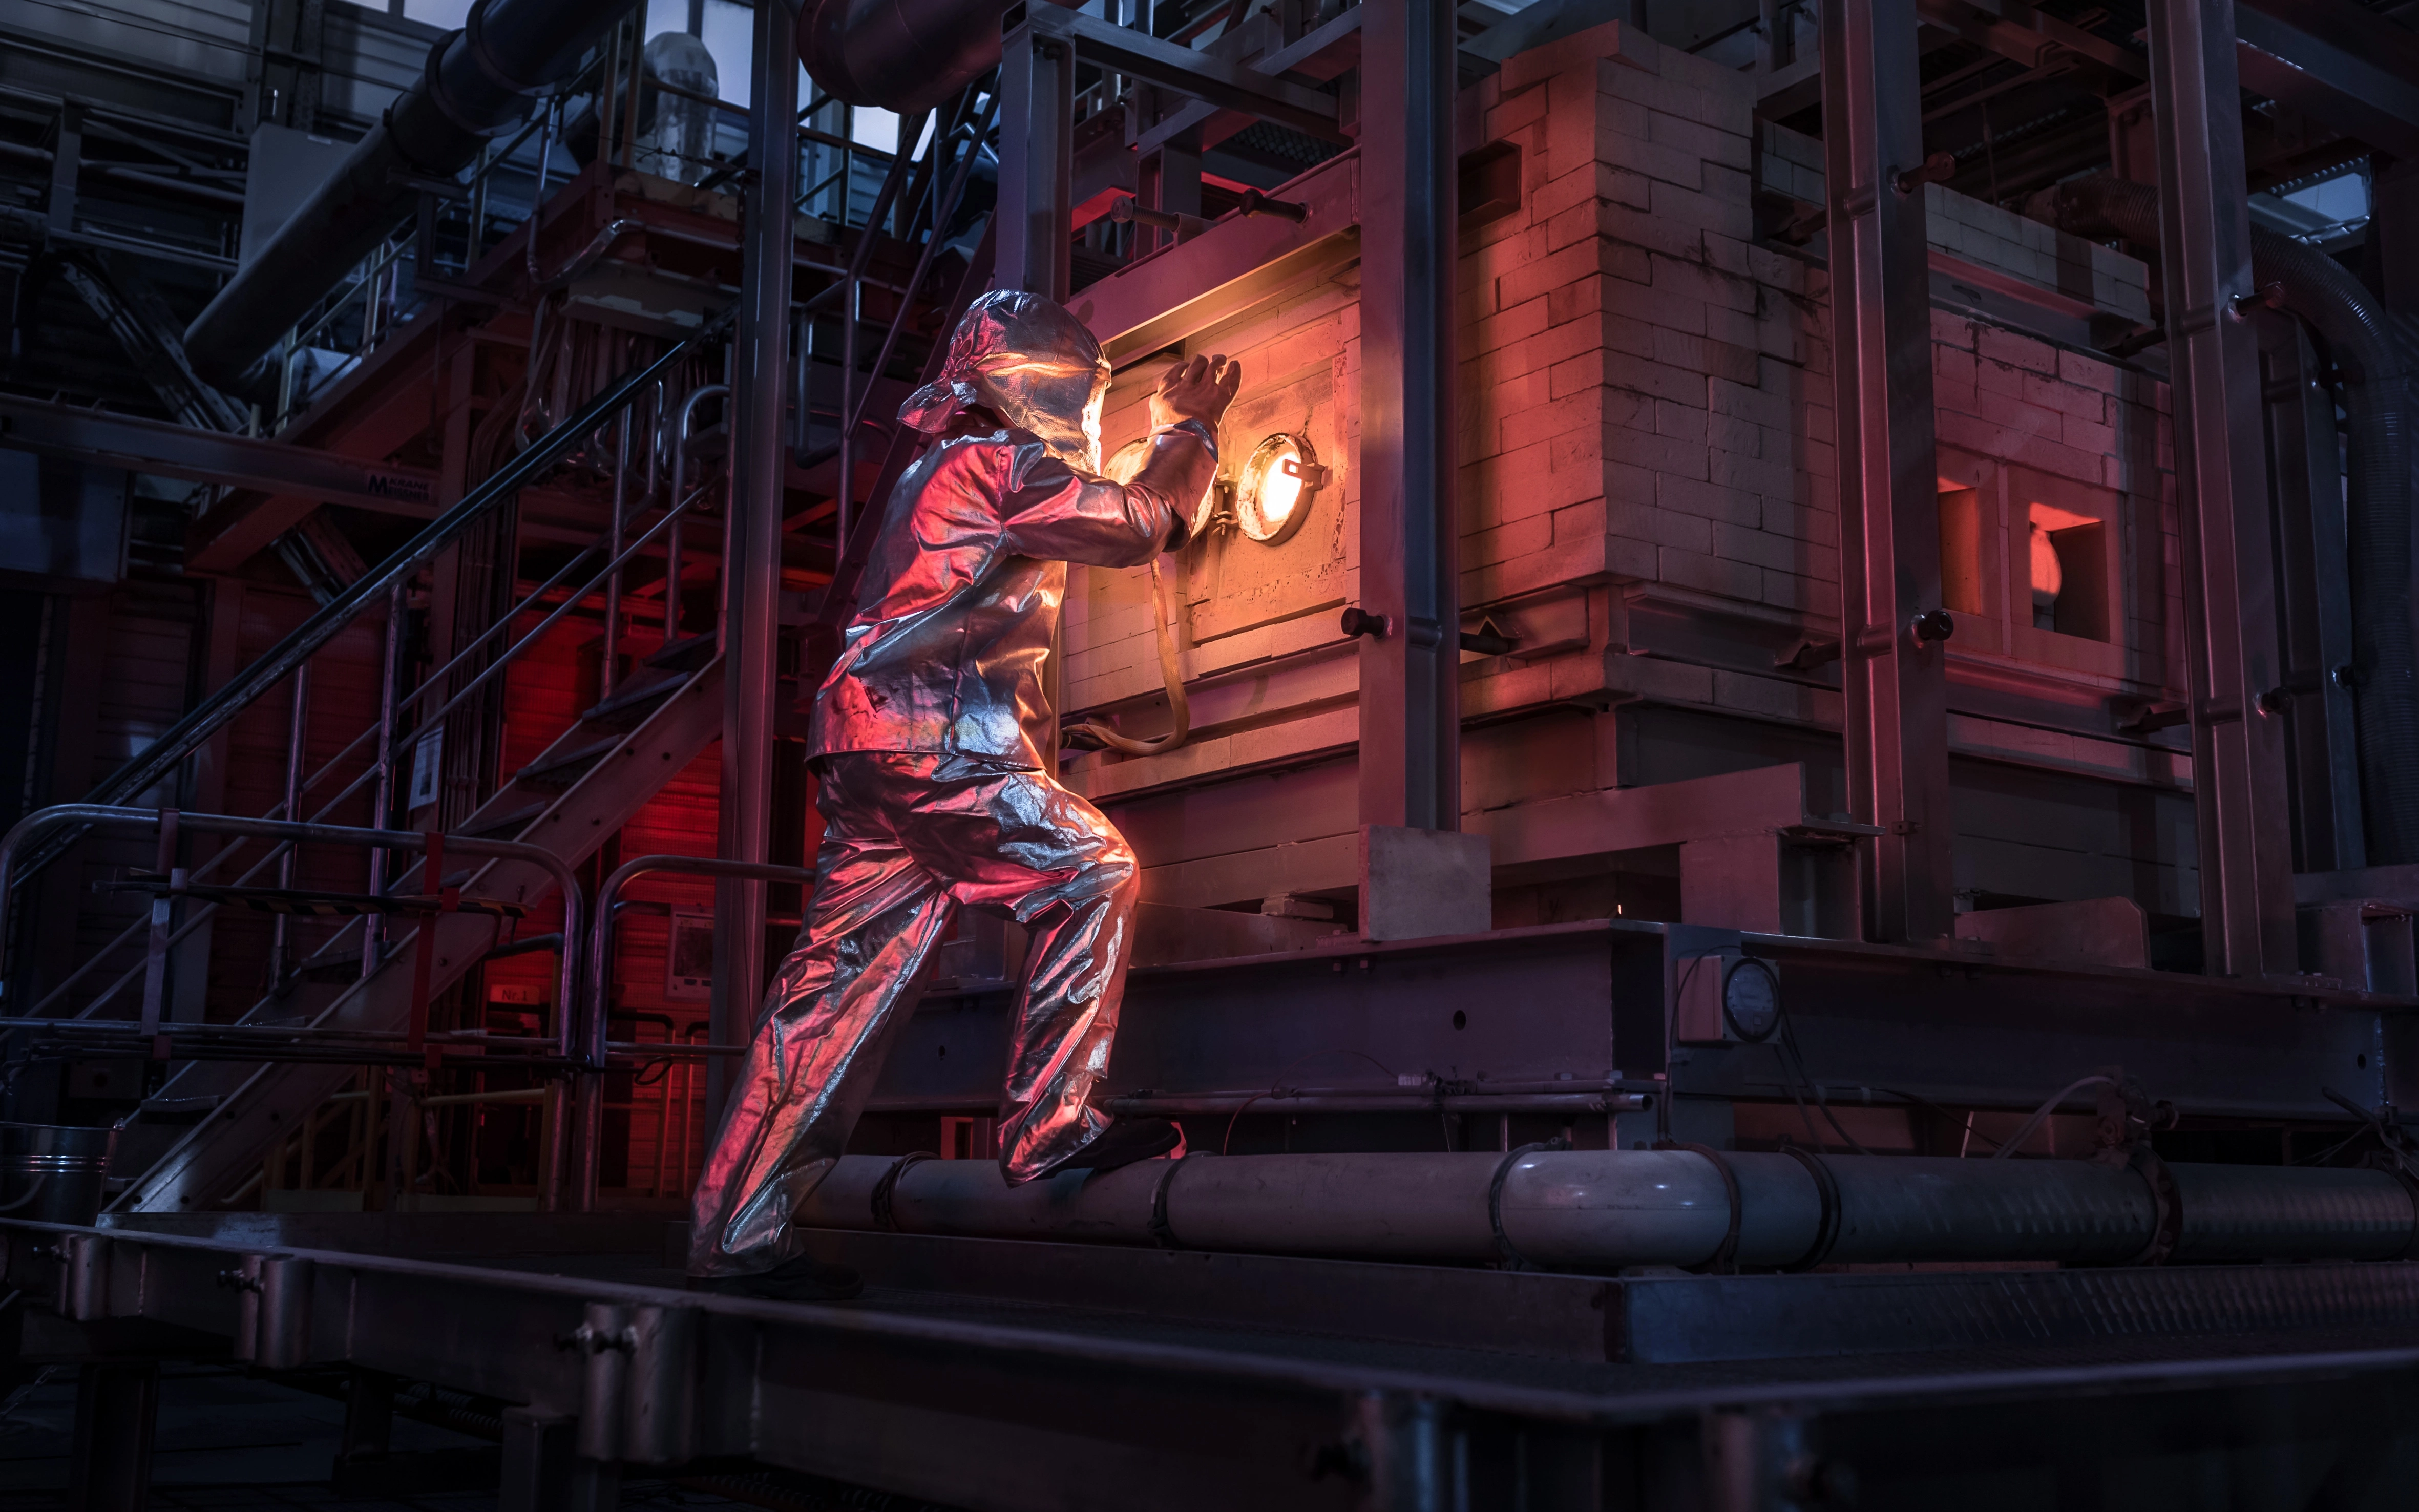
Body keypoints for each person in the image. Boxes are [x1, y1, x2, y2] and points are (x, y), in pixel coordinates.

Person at [688, 289, 1240, 1299]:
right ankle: (1051, 1126)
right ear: (1036, 387)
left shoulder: (930, 471)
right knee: (1094, 869)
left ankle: (733, 1234)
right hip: (940, 743)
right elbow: (1138, 524)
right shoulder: (999, 462)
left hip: (864, 752)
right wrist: (1189, 428)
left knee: (825, 1006)